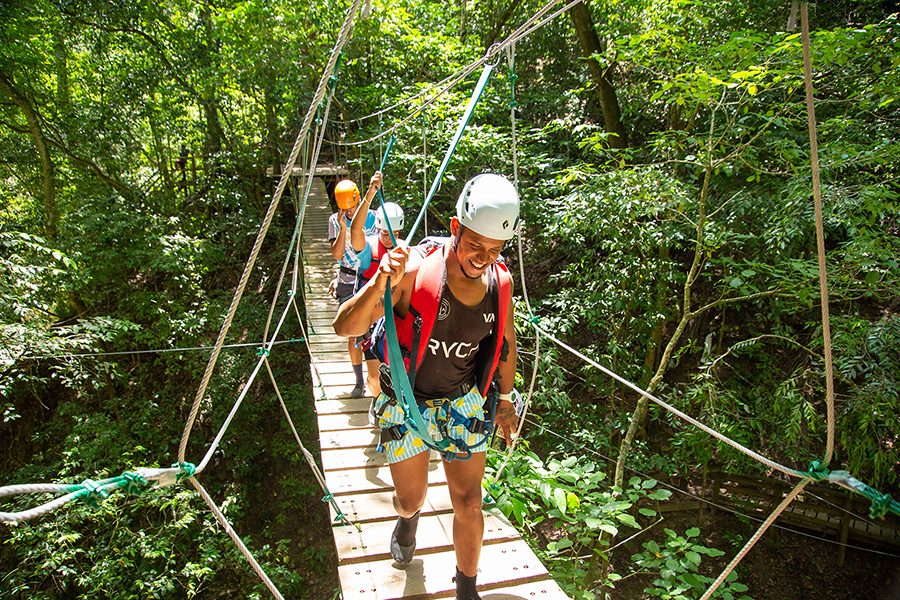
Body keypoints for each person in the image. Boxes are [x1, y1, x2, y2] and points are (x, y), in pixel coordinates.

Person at [333, 173, 521, 600]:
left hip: (462, 402)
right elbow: (345, 326)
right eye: (476, 245)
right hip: (406, 401)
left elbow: (505, 343)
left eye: (494, 250)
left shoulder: (500, 283)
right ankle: (407, 519)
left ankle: (467, 590)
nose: (483, 258)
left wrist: (506, 400)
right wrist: (380, 282)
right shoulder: (415, 270)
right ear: (456, 228)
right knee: (409, 499)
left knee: (469, 502)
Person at [328, 171, 381, 398]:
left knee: (376, 329)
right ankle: (359, 381)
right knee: (355, 332)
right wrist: (343, 229)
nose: (349, 212)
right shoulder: (335, 220)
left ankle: (378, 379)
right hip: (348, 280)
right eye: (345, 209)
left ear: (358, 199)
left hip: (371, 279)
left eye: (351, 207)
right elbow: (336, 255)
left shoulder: (375, 217)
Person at [355, 201, 405, 403]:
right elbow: (355, 231)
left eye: (394, 234)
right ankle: (376, 403)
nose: (389, 238)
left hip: (392, 318)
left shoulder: (404, 250)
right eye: (385, 233)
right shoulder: (368, 248)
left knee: (396, 372)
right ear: (377, 229)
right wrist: (369, 196)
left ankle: (389, 405)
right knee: (375, 376)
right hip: (370, 317)